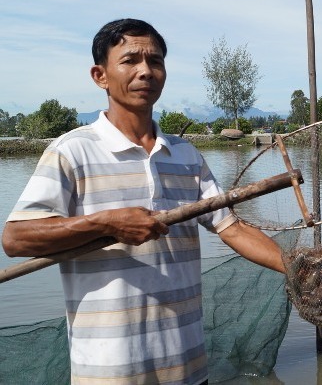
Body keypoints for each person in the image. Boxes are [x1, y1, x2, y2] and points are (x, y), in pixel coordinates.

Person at [2, 19, 286, 384]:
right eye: (130, 60)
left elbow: (233, 229)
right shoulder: (71, 152)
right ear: (100, 75)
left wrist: (298, 268)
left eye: (155, 61)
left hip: (187, 367)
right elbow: (16, 238)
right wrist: (105, 223)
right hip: (109, 372)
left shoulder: (185, 155)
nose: (145, 71)